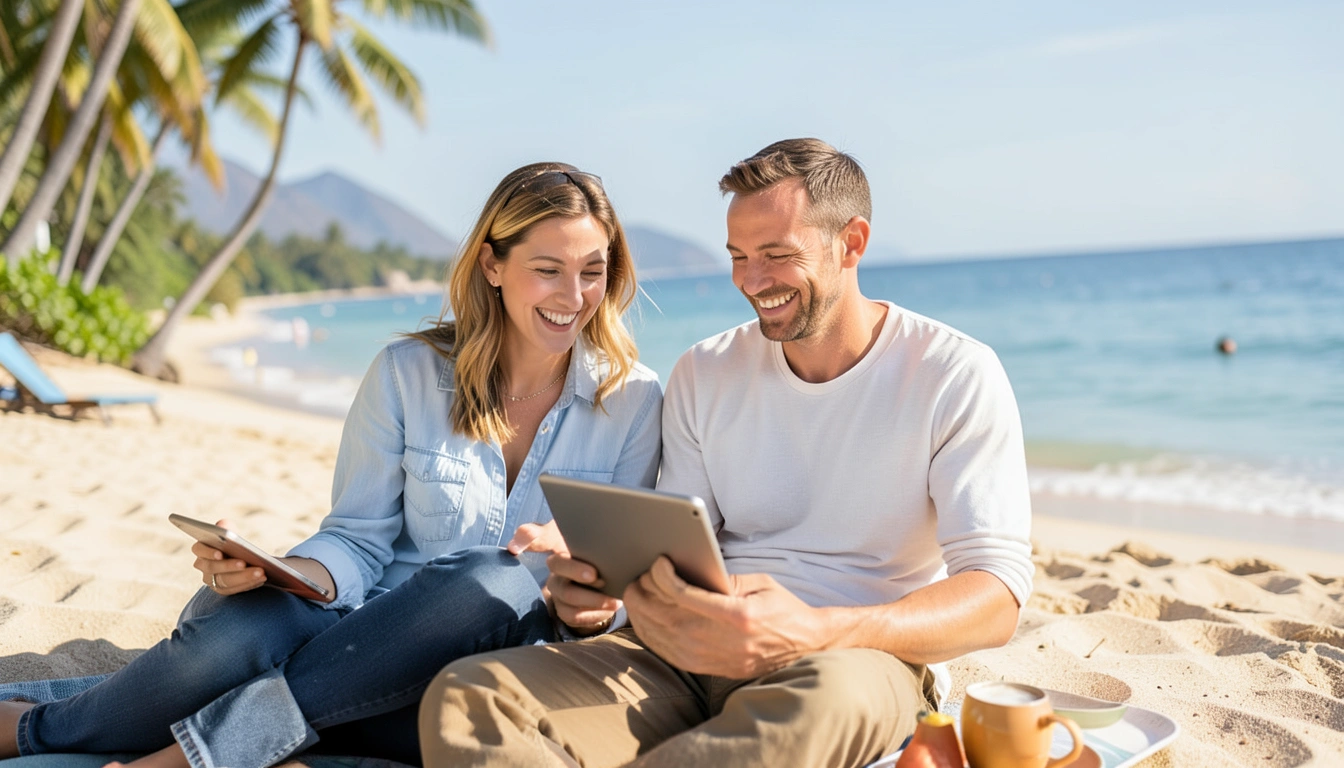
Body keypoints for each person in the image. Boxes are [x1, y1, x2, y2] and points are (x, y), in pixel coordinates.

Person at [0, 162, 663, 768]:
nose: (573, 296)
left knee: (497, 577)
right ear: (492, 264)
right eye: (548, 269)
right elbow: (356, 539)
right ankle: (49, 730)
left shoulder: (634, 401)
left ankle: (178, 752)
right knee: (242, 626)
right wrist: (282, 573)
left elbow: (617, 591)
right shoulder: (407, 374)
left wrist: (589, 603)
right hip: (361, 636)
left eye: (592, 271)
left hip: (504, 666)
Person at [417, 139, 1035, 768]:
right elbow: (679, 546)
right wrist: (607, 595)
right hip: (680, 653)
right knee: (472, 696)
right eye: (739, 256)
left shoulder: (951, 372)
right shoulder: (705, 371)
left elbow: (995, 597)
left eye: (776, 255)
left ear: (852, 243)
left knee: (809, 714)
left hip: (847, 661)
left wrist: (819, 630)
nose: (751, 281)